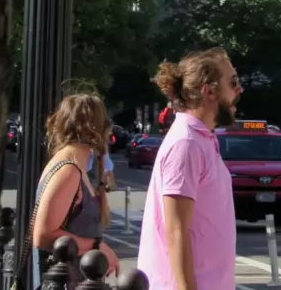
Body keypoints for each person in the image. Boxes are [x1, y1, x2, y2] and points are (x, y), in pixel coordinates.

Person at [137, 48, 243, 290]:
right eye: (233, 82)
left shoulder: (201, 139)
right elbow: (176, 232)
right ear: (209, 90)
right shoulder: (187, 143)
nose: (240, 90)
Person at [30, 92, 119, 278]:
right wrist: (97, 246)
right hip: (64, 280)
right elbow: (43, 236)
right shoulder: (68, 172)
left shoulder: (75, 167)